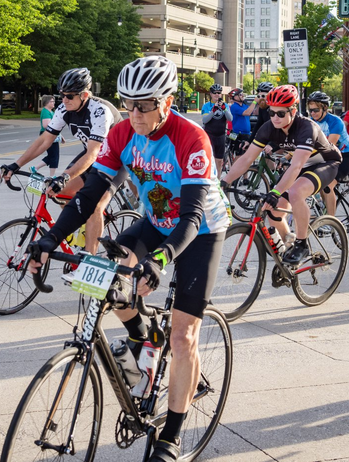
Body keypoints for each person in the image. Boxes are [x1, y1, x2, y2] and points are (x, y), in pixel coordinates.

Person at [28, 56, 229, 462]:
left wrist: (161, 259)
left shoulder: (192, 138)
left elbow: (190, 215)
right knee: (105, 282)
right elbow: (90, 194)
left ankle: (170, 436)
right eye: (128, 103)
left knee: (183, 333)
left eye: (145, 104)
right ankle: (142, 335)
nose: (134, 113)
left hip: (199, 230)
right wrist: (50, 238)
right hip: (155, 220)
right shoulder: (121, 134)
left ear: (167, 102)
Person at [0, 68, 126, 256]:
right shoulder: (64, 109)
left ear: (84, 95)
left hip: (118, 157)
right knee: (61, 192)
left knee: (95, 206)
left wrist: (64, 176)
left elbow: (93, 154)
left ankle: (88, 261)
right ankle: (82, 226)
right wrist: (16, 165)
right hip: (94, 154)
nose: (64, 100)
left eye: (69, 96)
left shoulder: (100, 111)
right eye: (61, 95)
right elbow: (44, 141)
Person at [222, 85, 342, 267]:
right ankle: (289, 246)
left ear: (293, 111)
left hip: (325, 163)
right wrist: (224, 181)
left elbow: (296, 166)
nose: (275, 118)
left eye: (280, 114)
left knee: (295, 192)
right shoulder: (268, 128)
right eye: (271, 113)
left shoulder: (307, 127)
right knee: (274, 210)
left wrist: (276, 191)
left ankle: (302, 244)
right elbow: (247, 158)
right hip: (301, 164)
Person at [307, 91, 349, 214]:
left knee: (327, 186)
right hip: (326, 154)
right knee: (315, 180)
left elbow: (329, 146)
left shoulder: (335, 121)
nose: (313, 113)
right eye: (310, 110)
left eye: (316, 110)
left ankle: (331, 222)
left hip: (346, 154)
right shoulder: (311, 121)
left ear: (325, 108)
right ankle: (324, 208)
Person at [201, 84, 232, 173]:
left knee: (219, 161)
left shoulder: (225, 105)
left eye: (219, 93)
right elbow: (205, 120)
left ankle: (218, 181)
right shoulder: (206, 106)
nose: (217, 95)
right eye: (215, 93)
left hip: (221, 135)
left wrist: (225, 109)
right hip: (209, 135)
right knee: (209, 159)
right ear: (211, 94)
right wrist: (213, 110)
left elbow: (230, 119)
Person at [38, 95, 60, 177]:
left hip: (52, 135)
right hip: (48, 135)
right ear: (47, 102)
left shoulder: (51, 112)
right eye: (52, 101)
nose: (54, 103)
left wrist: (61, 136)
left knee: (53, 155)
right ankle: (52, 176)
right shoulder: (45, 112)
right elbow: (45, 125)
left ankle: (35, 168)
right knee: (54, 156)